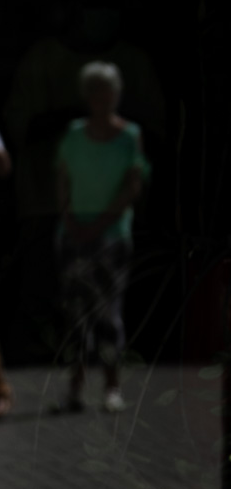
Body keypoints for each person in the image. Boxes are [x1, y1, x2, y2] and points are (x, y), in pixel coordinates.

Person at [54, 60, 149, 414]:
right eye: (95, 93)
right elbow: (62, 179)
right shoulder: (74, 134)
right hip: (72, 234)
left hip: (111, 236)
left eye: (107, 93)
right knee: (75, 313)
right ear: (87, 96)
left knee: (108, 313)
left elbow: (133, 185)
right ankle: (75, 387)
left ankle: (112, 386)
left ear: (116, 95)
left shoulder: (129, 136)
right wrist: (69, 218)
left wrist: (101, 222)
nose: (101, 99)